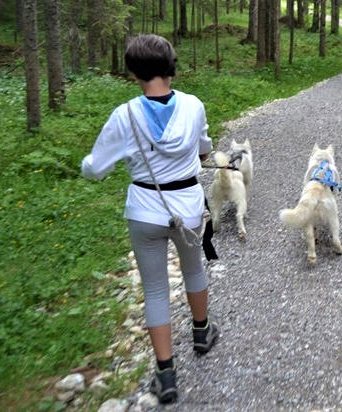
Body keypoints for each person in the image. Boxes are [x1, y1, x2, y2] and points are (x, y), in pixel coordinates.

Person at [81, 34, 219, 404]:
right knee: (194, 269)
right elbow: (204, 148)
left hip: (144, 209)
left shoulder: (124, 115)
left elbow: (94, 168)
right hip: (187, 207)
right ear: (171, 66)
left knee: (156, 288)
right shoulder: (193, 106)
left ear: (133, 72)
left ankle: (166, 375)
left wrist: (89, 166)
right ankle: (202, 333)